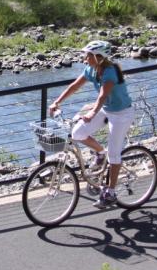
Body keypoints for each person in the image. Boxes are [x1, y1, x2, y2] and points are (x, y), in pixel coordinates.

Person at [49, 39, 134, 208]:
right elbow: (74, 86)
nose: (85, 59)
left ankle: (110, 192)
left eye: (88, 55)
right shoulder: (91, 69)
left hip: (121, 114)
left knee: (115, 154)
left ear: (99, 57)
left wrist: (91, 113)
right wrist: (56, 102)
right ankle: (100, 153)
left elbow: (102, 96)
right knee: (77, 133)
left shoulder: (110, 72)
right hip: (106, 110)